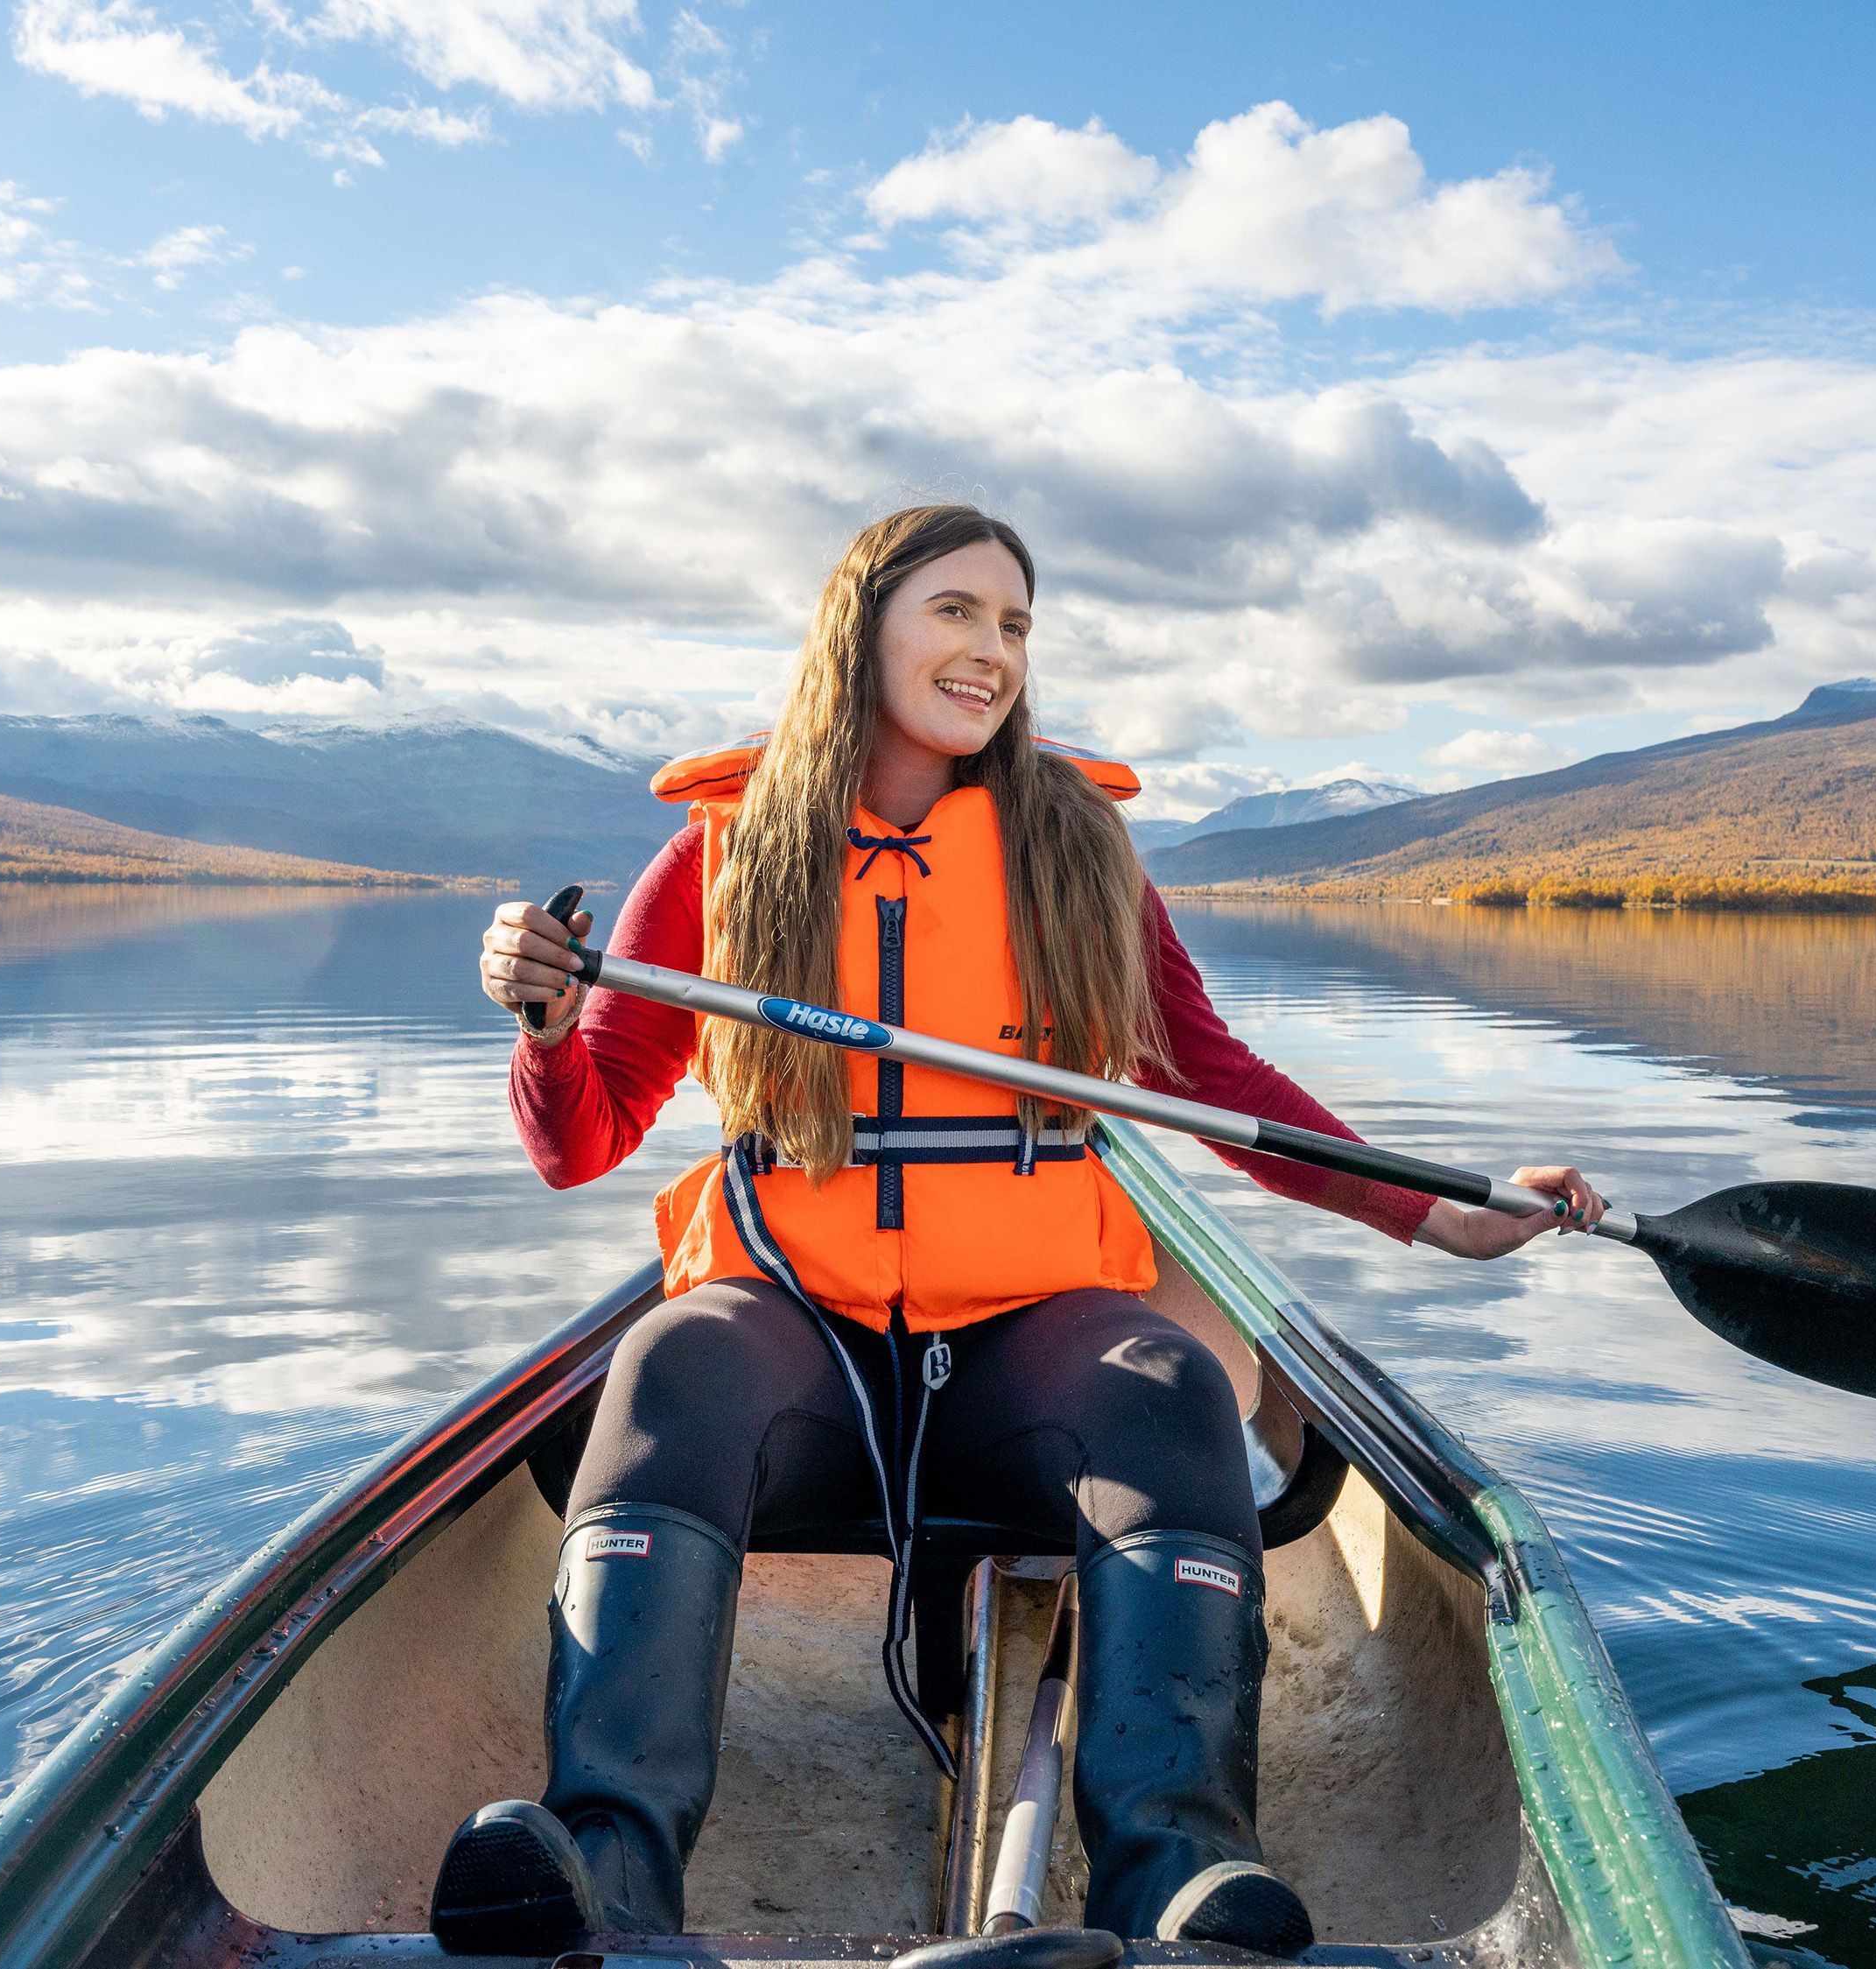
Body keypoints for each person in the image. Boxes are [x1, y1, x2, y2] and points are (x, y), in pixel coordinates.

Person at [446, 505, 1603, 1958]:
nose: (989, 651)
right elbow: (581, 1138)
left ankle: (1174, 1872)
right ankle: (609, 1866)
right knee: (669, 1361)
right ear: (861, 625)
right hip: (793, 1340)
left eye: (1014, 626)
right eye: (955, 613)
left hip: (1025, 1343)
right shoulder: (721, 856)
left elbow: (1215, 1080)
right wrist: (547, 1021)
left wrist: (1442, 1209)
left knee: (1166, 1380)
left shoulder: (1079, 848)